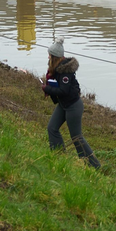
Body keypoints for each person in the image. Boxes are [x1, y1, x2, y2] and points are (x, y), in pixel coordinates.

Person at [40, 40, 101, 168]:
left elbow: (63, 91)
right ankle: (59, 156)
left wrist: (47, 89)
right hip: (64, 105)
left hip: (73, 106)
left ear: (54, 57)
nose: (48, 57)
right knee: (52, 128)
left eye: (49, 55)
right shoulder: (57, 69)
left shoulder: (65, 72)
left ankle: (93, 165)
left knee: (76, 137)